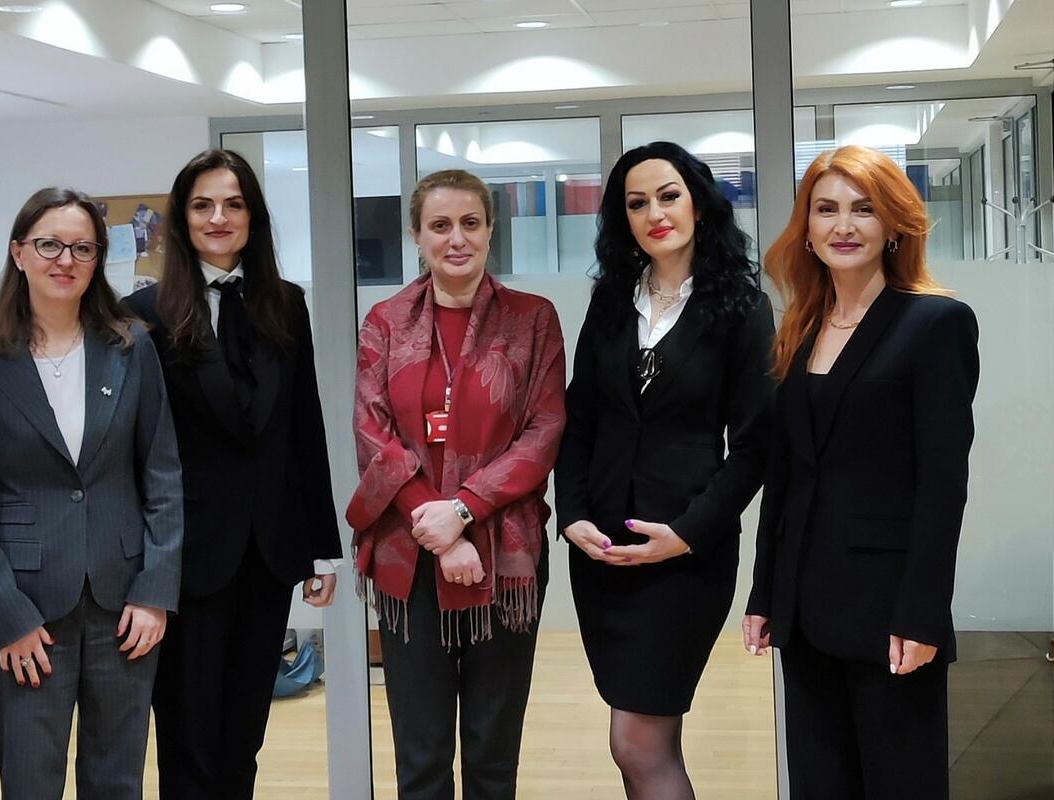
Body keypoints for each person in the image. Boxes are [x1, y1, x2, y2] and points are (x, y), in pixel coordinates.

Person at [743, 145, 979, 799]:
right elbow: (785, 476)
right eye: (826, 209)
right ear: (807, 229)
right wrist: (765, 593)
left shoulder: (935, 323)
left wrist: (922, 614)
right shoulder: (800, 328)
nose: (843, 225)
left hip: (889, 615)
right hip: (805, 612)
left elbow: (942, 486)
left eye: (863, 209)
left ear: (893, 225)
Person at [0, 187, 182, 799]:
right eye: (49, 244)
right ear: (19, 253)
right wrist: (7, 616)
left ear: (97, 258)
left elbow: (161, 476)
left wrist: (155, 592)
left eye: (82, 247)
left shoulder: (131, 348)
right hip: (27, 612)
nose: (65, 260)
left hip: (123, 606)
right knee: (31, 783)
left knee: (116, 781)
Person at [554, 141, 775, 800]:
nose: (654, 213)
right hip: (603, 556)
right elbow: (579, 419)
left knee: (636, 743)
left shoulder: (742, 307)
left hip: (684, 558)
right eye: (637, 202)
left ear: (699, 205)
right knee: (637, 745)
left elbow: (756, 447)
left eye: (669, 196)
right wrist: (572, 515)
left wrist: (686, 534)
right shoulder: (611, 302)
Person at [124, 148, 342, 798]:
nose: (218, 217)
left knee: (245, 738)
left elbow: (304, 427)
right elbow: (134, 450)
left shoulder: (286, 304)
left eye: (233, 204)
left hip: (268, 553)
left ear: (253, 217)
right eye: (202, 205)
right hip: (184, 558)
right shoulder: (144, 314)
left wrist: (321, 550)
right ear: (182, 219)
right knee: (189, 740)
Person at [346, 169, 566, 800]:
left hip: (503, 550)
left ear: (491, 230)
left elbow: (544, 430)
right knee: (421, 758)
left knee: (493, 757)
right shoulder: (386, 321)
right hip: (409, 553)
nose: (457, 239)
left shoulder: (532, 319)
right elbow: (372, 432)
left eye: (471, 223)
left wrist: (463, 511)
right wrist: (437, 526)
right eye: (440, 225)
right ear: (416, 236)